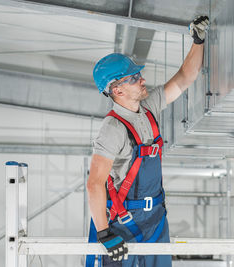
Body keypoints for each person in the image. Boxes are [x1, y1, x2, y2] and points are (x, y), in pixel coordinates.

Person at [86, 15, 209, 267]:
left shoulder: (149, 107)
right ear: (117, 90)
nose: (142, 79)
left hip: (155, 219)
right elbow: (94, 184)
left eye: (138, 74)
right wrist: (104, 234)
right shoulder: (113, 128)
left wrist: (198, 41)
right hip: (121, 224)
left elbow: (186, 77)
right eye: (134, 78)